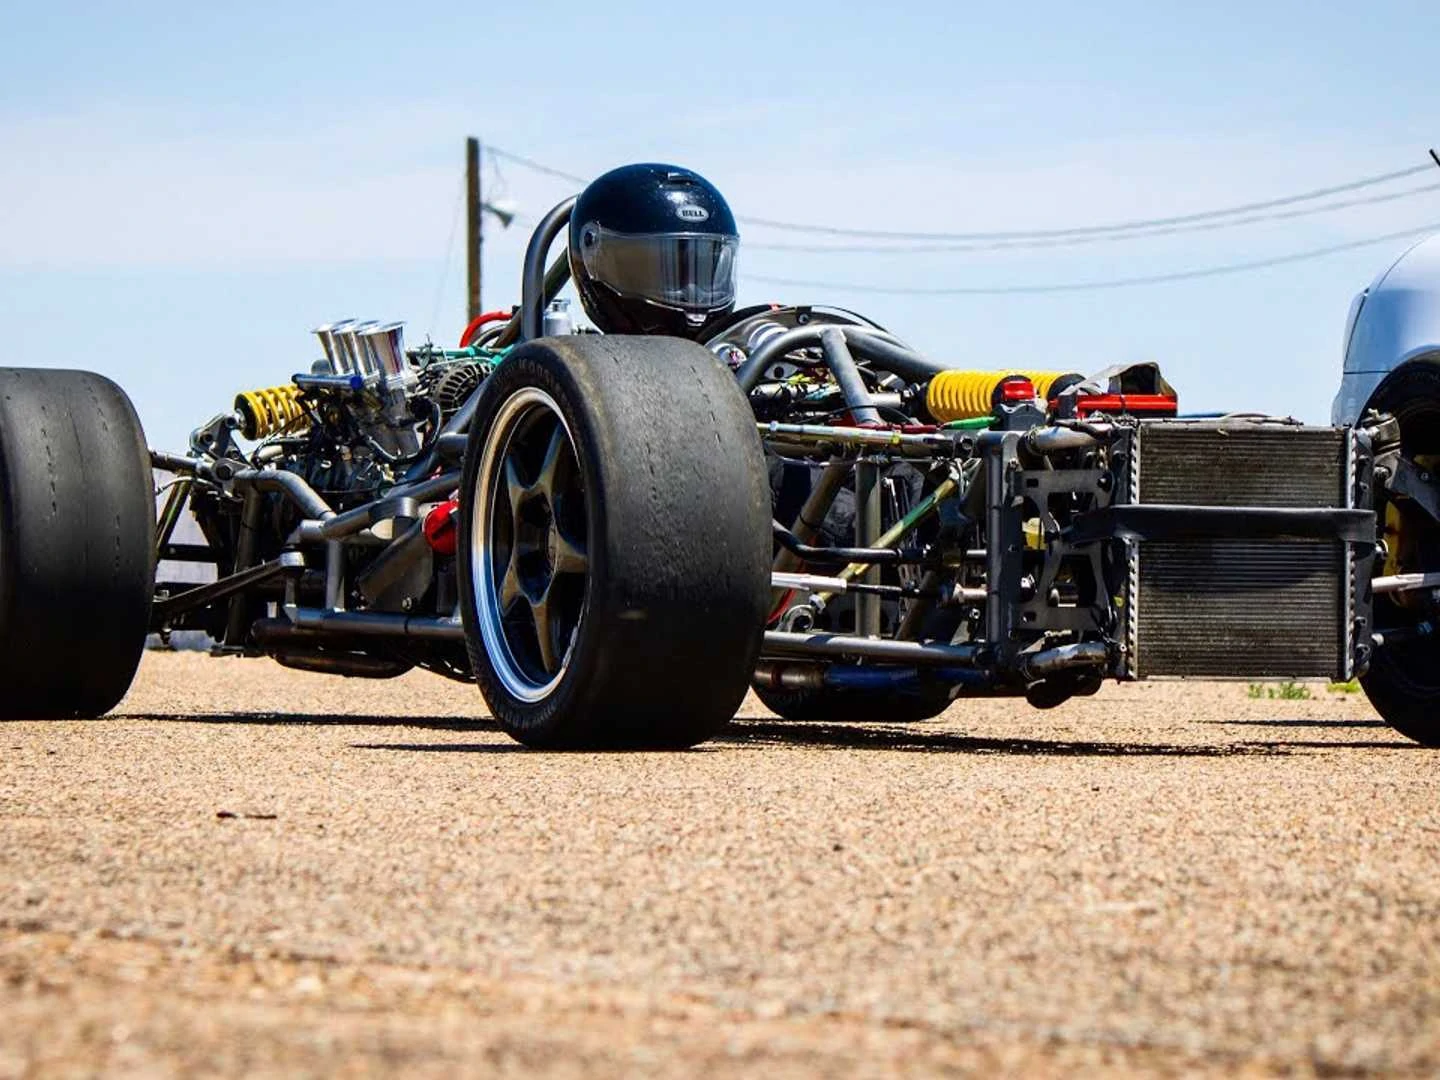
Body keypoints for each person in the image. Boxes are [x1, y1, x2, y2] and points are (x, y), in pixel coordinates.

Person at [567, 163, 739, 340]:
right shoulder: (572, 362)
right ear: (596, 259)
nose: (691, 293)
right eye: (659, 268)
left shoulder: (739, 356)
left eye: (703, 266)